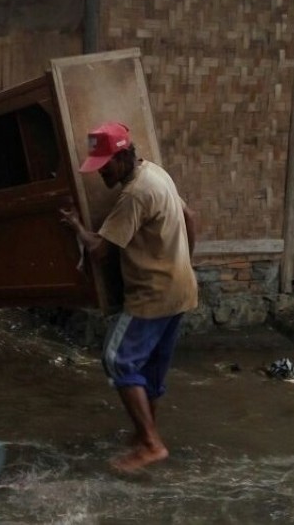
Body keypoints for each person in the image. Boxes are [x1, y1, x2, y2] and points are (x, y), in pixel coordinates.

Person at [60, 121, 197, 472]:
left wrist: (76, 226)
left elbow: (100, 251)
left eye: (106, 166)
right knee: (150, 368)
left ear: (122, 157)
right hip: (180, 289)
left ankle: (150, 443)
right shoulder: (157, 174)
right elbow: (189, 217)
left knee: (117, 359)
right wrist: (183, 263)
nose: (102, 174)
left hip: (151, 296)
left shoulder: (135, 194)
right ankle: (144, 435)